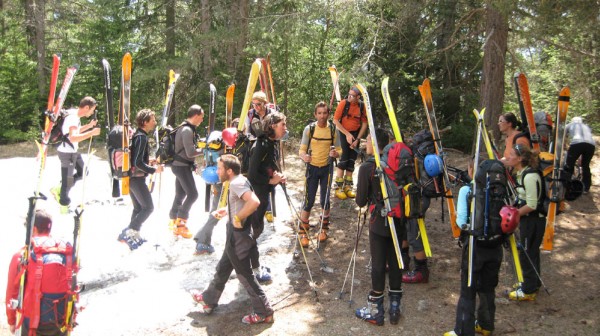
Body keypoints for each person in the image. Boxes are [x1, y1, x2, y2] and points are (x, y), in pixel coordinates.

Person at [190, 154, 274, 324]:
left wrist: (237, 218)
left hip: (239, 237)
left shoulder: (237, 182)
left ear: (229, 170)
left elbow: (254, 201)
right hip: (234, 235)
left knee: (245, 275)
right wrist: (227, 211)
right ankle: (208, 299)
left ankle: (264, 311)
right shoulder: (236, 181)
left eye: (220, 168)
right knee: (223, 267)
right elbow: (241, 202)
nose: (217, 171)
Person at [445, 159, 504, 336]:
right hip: (495, 245)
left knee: (468, 289)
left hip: (475, 247)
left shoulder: (467, 190)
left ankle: (463, 330)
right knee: (488, 287)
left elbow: (461, 221)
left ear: (472, 170)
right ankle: (486, 325)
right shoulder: (501, 189)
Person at [354, 129, 404, 326]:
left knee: (378, 263)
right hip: (399, 219)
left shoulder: (368, 167)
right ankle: (394, 306)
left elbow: (360, 201)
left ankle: (375, 310)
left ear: (374, 143)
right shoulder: (397, 162)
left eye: (367, 140)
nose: (365, 144)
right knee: (396, 260)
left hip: (379, 222)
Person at [6, 209, 73, 336]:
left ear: (34, 229)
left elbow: (12, 291)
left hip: (32, 323)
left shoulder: (22, 255)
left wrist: (11, 320)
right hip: (61, 319)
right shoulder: (64, 252)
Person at [247, 112, 287, 283]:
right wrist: (271, 180)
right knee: (253, 232)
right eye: (282, 125)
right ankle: (250, 267)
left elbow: (268, 166)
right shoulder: (262, 144)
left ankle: (248, 264)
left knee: (256, 230)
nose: (285, 128)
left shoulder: (272, 143)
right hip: (255, 195)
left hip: (263, 194)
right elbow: (252, 174)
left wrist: (277, 177)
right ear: (272, 126)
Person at [117, 109, 163, 250]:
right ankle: (130, 232)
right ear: (145, 122)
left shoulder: (138, 135)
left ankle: (131, 236)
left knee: (138, 208)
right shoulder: (141, 137)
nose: (155, 122)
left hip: (132, 178)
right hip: (136, 179)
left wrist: (149, 160)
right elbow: (137, 162)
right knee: (148, 208)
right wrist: (154, 169)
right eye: (153, 120)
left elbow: (136, 158)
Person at [297, 102, 341, 246]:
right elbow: (302, 150)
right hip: (312, 169)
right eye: (319, 113)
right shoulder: (309, 129)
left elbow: (340, 150)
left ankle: (323, 229)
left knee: (325, 200)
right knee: (309, 201)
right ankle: (303, 231)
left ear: (328, 114)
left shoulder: (333, 130)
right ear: (315, 114)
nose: (322, 116)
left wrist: (335, 153)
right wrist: (305, 157)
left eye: (325, 113)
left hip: (327, 168)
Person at [504, 144, 544, 301]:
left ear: (520, 158)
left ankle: (528, 290)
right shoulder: (521, 173)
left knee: (527, 253)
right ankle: (533, 283)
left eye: (512, 154)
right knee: (531, 252)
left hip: (534, 220)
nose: (509, 157)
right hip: (528, 220)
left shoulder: (529, 176)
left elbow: (532, 204)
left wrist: (513, 214)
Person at [51, 97, 101, 213]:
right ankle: (64, 206)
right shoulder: (73, 118)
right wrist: (92, 133)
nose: (92, 112)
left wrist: (89, 126)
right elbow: (73, 137)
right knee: (67, 180)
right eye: (92, 110)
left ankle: (59, 188)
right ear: (87, 107)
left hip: (72, 151)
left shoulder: (74, 113)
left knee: (83, 172)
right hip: (67, 152)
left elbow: (73, 131)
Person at [168, 105, 204, 238]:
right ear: (195, 115)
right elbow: (190, 153)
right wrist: (205, 150)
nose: (202, 120)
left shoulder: (184, 128)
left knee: (180, 194)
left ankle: (173, 220)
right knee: (193, 194)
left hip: (180, 166)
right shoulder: (187, 130)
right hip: (182, 167)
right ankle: (181, 225)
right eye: (201, 117)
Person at [245, 91, 277, 224]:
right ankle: (261, 208)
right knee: (257, 177)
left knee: (270, 177)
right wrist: (255, 138)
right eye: (254, 104)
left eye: (258, 104)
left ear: (264, 103)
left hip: (269, 149)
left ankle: (268, 209)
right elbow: (247, 131)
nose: (256, 107)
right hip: (256, 149)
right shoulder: (251, 114)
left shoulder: (272, 114)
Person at [332, 86, 368, 199]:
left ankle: (348, 186)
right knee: (344, 158)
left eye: (352, 95)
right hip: (342, 133)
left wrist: (357, 139)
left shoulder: (361, 106)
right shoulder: (343, 103)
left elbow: (365, 124)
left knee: (352, 159)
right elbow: (335, 121)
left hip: (355, 134)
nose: (349, 97)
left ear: (358, 97)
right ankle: (338, 187)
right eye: (349, 94)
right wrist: (347, 134)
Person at [564, 116, 596, 193]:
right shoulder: (586, 126)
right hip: (591, 145)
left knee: (569, 164)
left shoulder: (569, 125)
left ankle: (567, 185)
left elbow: (564, 137)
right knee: (585, 166)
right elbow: (585, 141)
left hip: (576, 143)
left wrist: (565, 147)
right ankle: (586, 188)